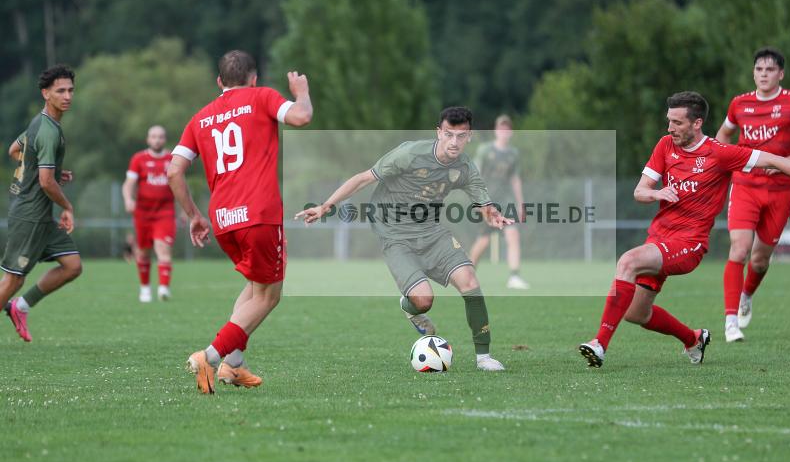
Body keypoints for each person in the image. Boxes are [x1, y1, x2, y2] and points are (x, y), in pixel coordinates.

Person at [579, 91, 790, 369]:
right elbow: (640, 191)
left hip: (689, 244)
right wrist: (657, 194)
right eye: (669, 121)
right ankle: (693, 339)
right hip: (659, 239)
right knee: (636, 313)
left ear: (697, 123)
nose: (670, 128)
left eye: (677, 123)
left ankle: (599, 345)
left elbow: (777, 161)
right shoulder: (665, 146)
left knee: (627, 261)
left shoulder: (719, 153)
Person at [297, 107, 513, 371]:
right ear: (438, 133)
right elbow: (363, 178)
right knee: (423, 300)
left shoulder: (465, 167)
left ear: (470, 137)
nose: (454, 142)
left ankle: (483, 357)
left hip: (431, 230)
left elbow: (482, 201)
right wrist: (325, 206)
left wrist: (492, 214)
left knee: (469, 280)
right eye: (449, 135)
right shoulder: (410, 154)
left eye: (461, 136)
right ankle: (409, 305)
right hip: (394, 232)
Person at [168, 50, 313, 394]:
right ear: (254, 78)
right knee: (269, 296)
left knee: (254, 286)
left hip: (222, 218)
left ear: (219, 82)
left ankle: (233, 366)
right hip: (259, 213)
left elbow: (174, 170)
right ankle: (211, 356)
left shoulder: (200, 117)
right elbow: (301, 117)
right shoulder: (262, 97)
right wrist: (301, 91)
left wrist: (193, 216)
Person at [714, 47, 790, 342]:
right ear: (753, 73)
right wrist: (727, 159)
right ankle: (730, 321)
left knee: (760, 260)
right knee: (739, 249)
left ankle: (747, 295)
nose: (763, 74)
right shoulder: (739, 104)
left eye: (769, 69)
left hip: (780, 191)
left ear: (780, 74)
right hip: (744, 186)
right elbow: (723, 136)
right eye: (759, 69)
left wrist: (789, 163)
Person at [1, 65, 83, 342]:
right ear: (46, 93)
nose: (68, 95)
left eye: (70, 90)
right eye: (60, 91)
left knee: (72, 265)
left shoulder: (40, 122)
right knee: (14, 279)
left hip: (40, 215)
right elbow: (47, 183)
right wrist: (68, 208)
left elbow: (15, 150)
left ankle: (19, 307)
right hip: (30, 215)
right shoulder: (48, 131)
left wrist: (51, 172)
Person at [469, 114, 529, 289]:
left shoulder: (513, 154)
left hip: (506, 201)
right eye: (501, 128)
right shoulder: (485, 150)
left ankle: (514, 276)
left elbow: (515, 179)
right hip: (486, 201)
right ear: (496, 131)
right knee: (484, 240)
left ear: (510, 132)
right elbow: (475, 173)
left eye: (507, 128)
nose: (504, 132)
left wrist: (520, 203)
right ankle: (467, 274)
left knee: (513, 235)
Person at [123, 126, 176, 303]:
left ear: (165, 139)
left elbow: (180, 186)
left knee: (163, 249)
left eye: (160, 137)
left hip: (165, 212)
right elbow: (129, 183)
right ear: (148, 139)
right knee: (143, 252)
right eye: (153, 137)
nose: (157, 140)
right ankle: (145, 289)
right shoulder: (139, 159)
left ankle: (163, 289)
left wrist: (186, 211)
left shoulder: (172, 159)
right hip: (143, 213)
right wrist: (128, 199)